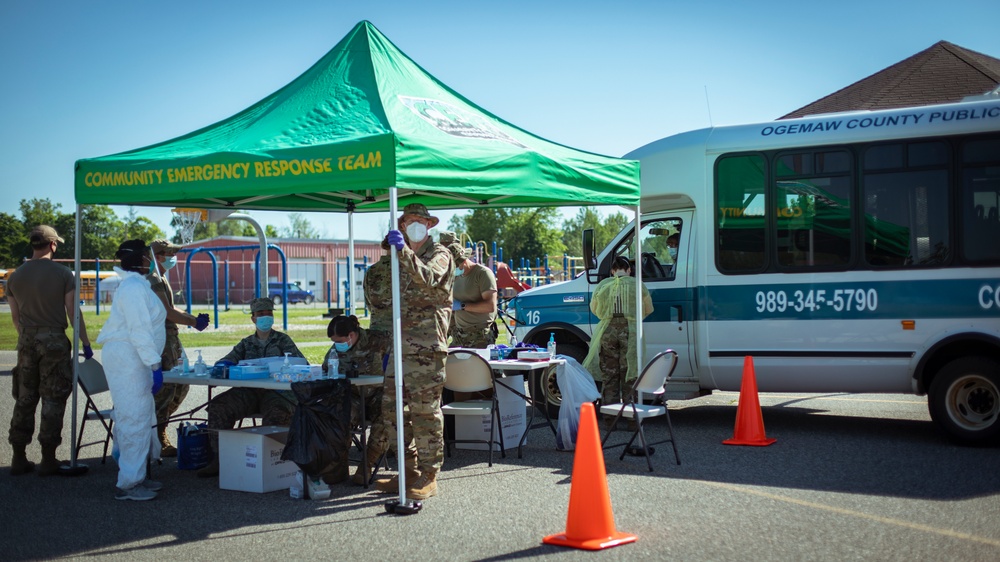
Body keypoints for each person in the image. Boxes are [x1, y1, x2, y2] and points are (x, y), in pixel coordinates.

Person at [374, 203, 454, 500]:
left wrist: (404, 253)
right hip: (400, 345)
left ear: (429, 225)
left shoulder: (440, 254)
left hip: (427, 347)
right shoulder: (397, 257)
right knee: (392, 411)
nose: (416, 225)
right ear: (403, 225)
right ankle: (407, 470)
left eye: (421, 220)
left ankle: (429, 474)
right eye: (410, 221)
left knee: (425, 412)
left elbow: (430, 279)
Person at [7, 225, 93, 476]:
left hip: (26, 340)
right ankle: (48, 458)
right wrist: (85, 344)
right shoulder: (63, 273)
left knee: (24, 397)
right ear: (53, 244)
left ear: (33, 244)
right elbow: (73, 313)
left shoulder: (15, 276)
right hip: (53, 340)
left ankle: (18, 456)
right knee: (53, 397)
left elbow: (15, 317)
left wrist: (27, 337)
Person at [197, 297, 304, 477]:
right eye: (261, 314)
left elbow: (302, 364)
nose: (266, 317)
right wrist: (225, 365)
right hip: (249, 392)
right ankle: (219, 459)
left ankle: (271, 464)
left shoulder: (283, 341)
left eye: (269, 314)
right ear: (253, 318)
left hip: (276, 393)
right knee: (219, 407)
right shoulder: (246, 343)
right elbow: (225, 361)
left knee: (277, 414)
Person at [97, 239, 167, 500]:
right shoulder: (133, 288)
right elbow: (139, 330)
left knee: (141, 416)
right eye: (149, 258)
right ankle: (128, 484)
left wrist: (151, 362)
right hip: (130, 358)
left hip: (134, 358)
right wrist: (154, 364)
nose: (154, 262)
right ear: (140, 260)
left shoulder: (137, 286)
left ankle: (137, 474)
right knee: (134, 418)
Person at [146, 239, 210, 457]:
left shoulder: (161, 277)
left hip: (170, 339)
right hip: (162, 341)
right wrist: (194, 322)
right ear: (157, 256)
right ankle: (155, 435)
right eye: (168, 253)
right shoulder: (152, 278)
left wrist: (192, 317)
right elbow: (166, 312)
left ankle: (158, 429)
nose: (172, 257)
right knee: (167, 388)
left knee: (180, 387)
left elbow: (172, 308)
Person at [322, 315, 390, 485]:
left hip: (378, 394)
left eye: (340, 340)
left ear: (351, 335)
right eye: (334, 341)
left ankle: (367, 465)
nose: (337, 345)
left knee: (387, 415)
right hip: (352, 396)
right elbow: (325, 370)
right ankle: (337, 468)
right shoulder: (335, 350)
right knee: (338, 416)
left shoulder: (378, 341)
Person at [582, 256, 654, 406]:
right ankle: (631, 417)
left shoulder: (603, 285)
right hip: (631, 332)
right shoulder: (637, 284)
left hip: (607, 331)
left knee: (609, 375)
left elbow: (595, 309)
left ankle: (610, 417)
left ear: (613, 271)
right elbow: (648, 309)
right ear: (629, 270)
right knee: (630, 373)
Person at [442, 231, 498, 349]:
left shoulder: (483, 274)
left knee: (478, 367)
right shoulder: (455, 277)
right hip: (459, 334)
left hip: (480, 335)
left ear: (464, 261)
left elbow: (490, 306)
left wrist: (462, 306)